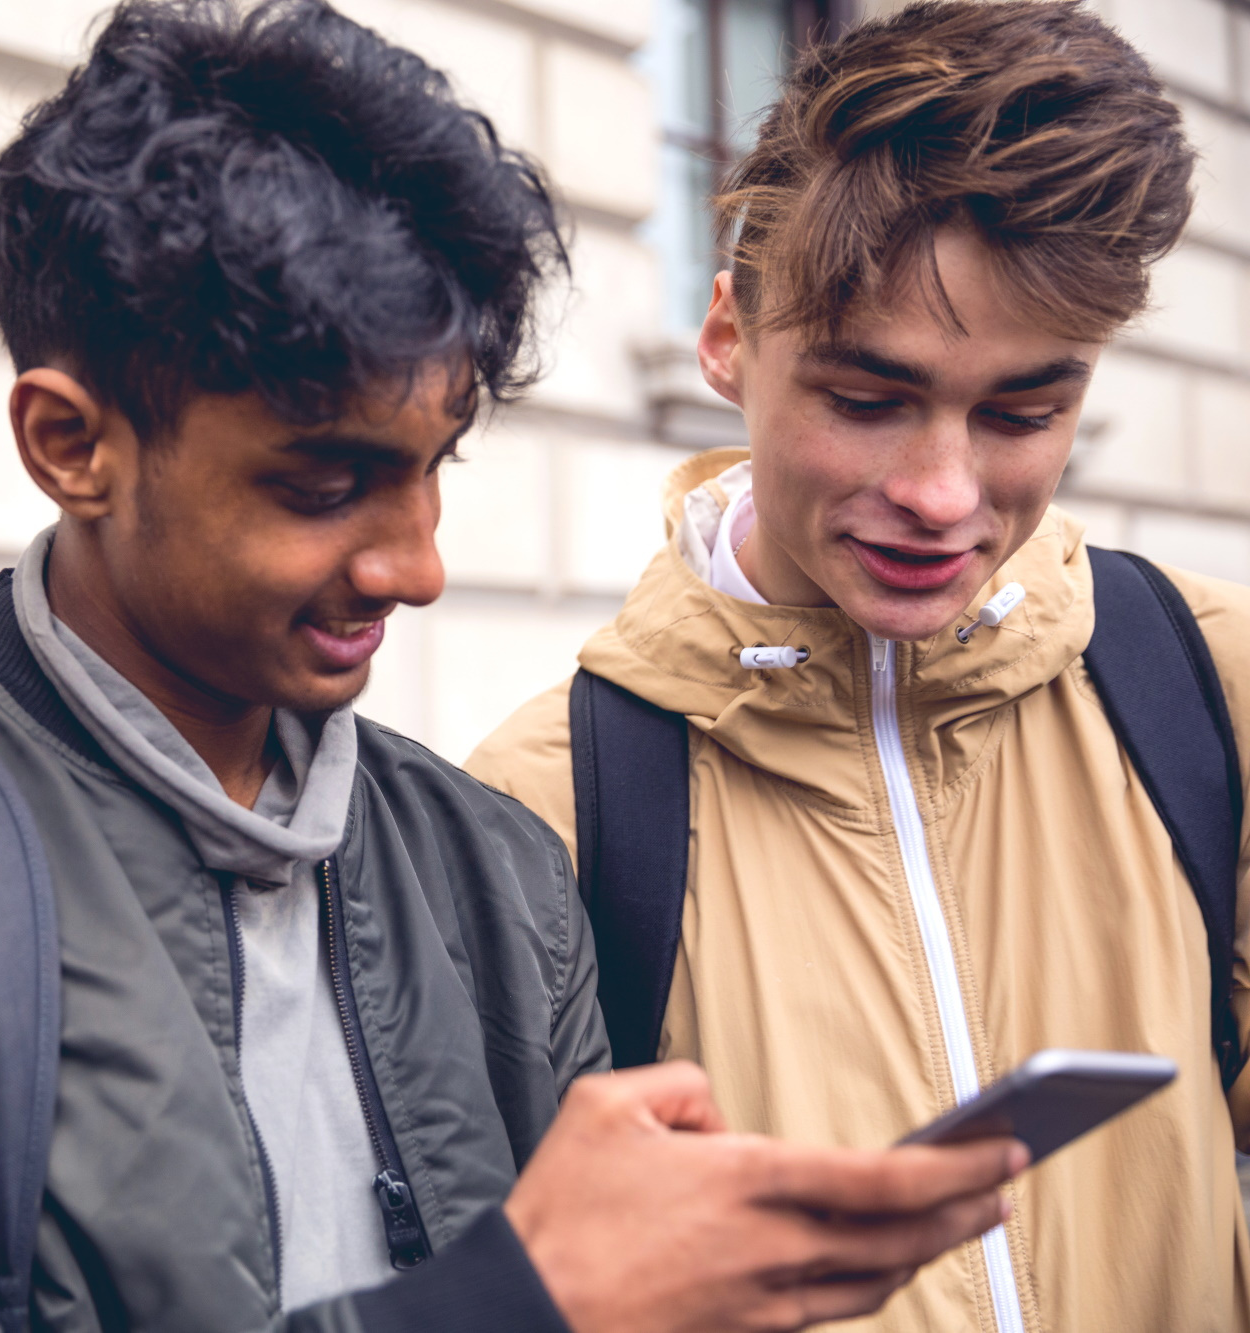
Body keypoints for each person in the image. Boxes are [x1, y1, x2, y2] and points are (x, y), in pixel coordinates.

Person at [0, 4, 1021, 1330]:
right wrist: (513, 1300)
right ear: (70, 443)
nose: (417, 563)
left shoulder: (495, 868)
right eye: (327, 482)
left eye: (434, 467)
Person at [469, 3, 1241, 1330]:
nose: (943, 494)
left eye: (1021, 412)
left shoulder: (1205, 677)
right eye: (867, 399)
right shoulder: (542, 805)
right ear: (726, 339)